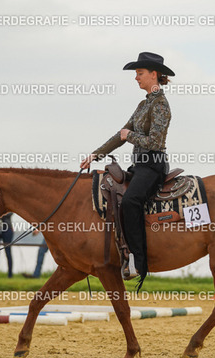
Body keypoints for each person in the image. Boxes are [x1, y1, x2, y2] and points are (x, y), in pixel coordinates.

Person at [80, 52, 175, 284]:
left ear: (153, 74)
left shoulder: (161, 105)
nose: (136, 77)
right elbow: (120, 135)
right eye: (136, 74)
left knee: (131, 201)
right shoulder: (143, 104)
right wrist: (95, 154)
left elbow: (155, 142)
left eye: (139, 73)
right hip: (139, 166)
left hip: (153, 166)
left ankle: (137, 262)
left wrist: (129, 135)